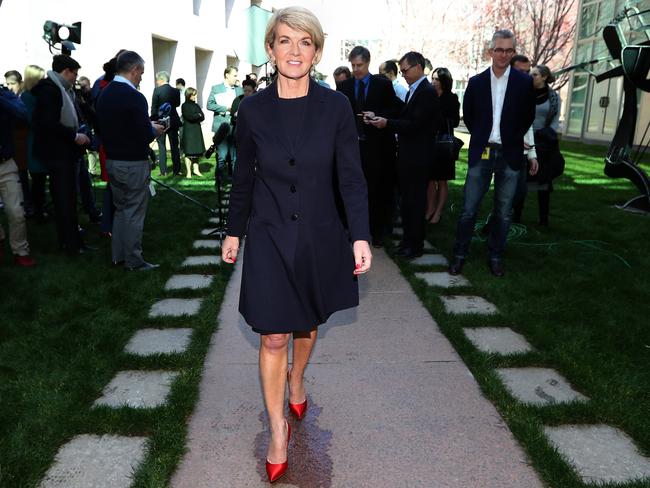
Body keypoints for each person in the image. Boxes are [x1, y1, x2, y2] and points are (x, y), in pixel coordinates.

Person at [221, 6, 372, 482]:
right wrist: (233, 229)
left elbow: (351, 177)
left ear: (317, 51)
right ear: (270, 49)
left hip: (319, 234)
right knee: (272, 334)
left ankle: (298, 378)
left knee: (306, 324)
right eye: (284, 40)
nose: (294, 50)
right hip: (267, 234)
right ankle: (277, 430)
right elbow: (244, 174)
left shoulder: (336, 107)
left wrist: (360, 235)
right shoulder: (252, 109)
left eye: (305, 42)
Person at [448, 30, 535, 277]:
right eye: (499, 49)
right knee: (468, 208)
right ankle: (459, 254)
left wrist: (513, 137)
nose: (503, 55)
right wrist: (482, 136)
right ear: (490, 51)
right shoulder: (476, 82)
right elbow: (471, 115)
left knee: (504, 211)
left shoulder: (524, 82)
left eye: (508, 50)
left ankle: (496, 255)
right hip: (483, 150)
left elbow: (528, 115)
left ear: (513, 52)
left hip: (510, 152)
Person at [96, 50, 165, 270]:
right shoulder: (134, 96)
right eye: (141, 73)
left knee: (120, 210)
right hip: (133, 163)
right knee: (134, 212)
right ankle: (134, 260)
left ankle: (119, 256)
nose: (141, 77)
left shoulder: (104, 94)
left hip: (113, 160)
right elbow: (143, 134)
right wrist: (155, 130)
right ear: (134, 70)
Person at [368, 51, 441, 259]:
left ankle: (414, 245)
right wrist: (380, 116)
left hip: (418, 157)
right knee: (409, 202)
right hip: (410, 155)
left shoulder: (425, 92)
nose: (403, 74)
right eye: (401, 71)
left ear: (419, 67)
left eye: (405, 70)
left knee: (415, 202)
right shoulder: (414, 90)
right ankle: (409, 241)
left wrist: (386, 123)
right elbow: (404, 114)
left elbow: (415, 125)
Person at [337, 45, 403, 247]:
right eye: (353, 65)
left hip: (377, 147)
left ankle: (377, 232)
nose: (356, 69)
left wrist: (377, 116)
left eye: (360, 65)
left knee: (377, 191)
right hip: (352, 147)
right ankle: (352, 230)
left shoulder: (382, 84)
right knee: (352, 190)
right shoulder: (344, 87)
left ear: (368, 63)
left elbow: (395, 109)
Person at [32, 54, 91, 255]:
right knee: (65, 199)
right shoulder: (50, 91)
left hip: (63, 152)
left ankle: (72, 241)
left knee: (67, 198)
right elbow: (49, 124)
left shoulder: (59, 89)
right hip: (58, 153)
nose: (76, 78)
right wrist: (74, 136)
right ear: (66, 72)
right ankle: (70, 244)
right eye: (75, 74)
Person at [0, 85, 36, 266]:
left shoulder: (4, 95)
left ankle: (21, 250)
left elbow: (22, 114)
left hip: (5, 163)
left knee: (17, 212)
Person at [529, 64, 562, 226]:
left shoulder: (554, 97)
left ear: (544, 77)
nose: (531, 77)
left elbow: (555, 123)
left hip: (544, 143)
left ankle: (543, 219)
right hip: (525, 140)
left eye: (534, 74)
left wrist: (545, 135)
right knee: (522, 178)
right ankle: (516, 214)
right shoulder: (525, 93)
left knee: (543, 180)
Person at [426, 67, 460, 224]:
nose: (434, 82)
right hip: (430, 141)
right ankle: (430, 209)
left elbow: (455, 120)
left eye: (437, 79)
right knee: (430, 178)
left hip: (444, 144)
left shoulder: (451, 98)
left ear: (444, 81)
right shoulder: (429, 95)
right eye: (433, 78)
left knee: (442, 179)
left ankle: (438, 212)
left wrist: (438, 118)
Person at [20, 65, 49, 223]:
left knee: (40, 178)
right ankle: (37, 211)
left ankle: (40, 208)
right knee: (38, 179)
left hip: (39, 140)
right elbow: (30, 120)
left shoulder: (33, 95)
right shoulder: (27, 97)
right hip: (34, 141)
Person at [206, 66, 243, 170]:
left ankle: (235, 184)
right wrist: (225, 108)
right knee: (222, 156)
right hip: (221, 126)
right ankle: (219, 183)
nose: (236, 78)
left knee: (235, 158)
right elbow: (209, 105)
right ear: (227, 75)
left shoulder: (239, 90)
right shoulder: (216, 88)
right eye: (234, 75)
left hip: (235, 126)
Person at [151, 71, 182, 175]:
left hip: (160, 121)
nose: (156, 82)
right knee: (174, 146)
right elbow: (177, 104)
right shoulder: (176, 91)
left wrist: (153, 121)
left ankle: (163, 171)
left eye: (157, 80)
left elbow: (154, 107)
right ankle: (176, 170)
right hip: (173, 120)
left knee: (161, 146)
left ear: (161, 80)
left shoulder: (157, 90)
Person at [180, 87, 205, 178]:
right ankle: (188, 172)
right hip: (189, 131)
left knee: (196, 152)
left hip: (196, 130)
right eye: (194, 95)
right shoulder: (184, 105)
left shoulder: (196, 105)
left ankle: (196, 170)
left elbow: (202, 116)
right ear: (189, 95)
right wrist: (197, 115)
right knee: (189, 152)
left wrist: (197, 116)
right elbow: (188, 116)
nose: (195, 96)